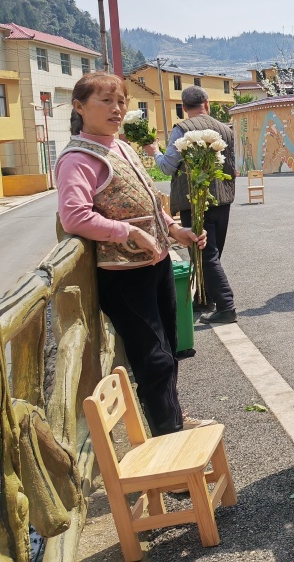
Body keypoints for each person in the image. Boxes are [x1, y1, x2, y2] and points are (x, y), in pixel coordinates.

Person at [56, 73, 210, 435]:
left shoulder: (120, 146)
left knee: (168, 349)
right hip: (123, 275)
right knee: (153, 358)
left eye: (121, 101)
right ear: (79, 107)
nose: (117, 109)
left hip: (153, 265)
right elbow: (75, 216)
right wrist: (127, 231)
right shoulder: (77, 158)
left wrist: (175, 230)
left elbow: (153, 203)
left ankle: (170, 421)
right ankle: (169, 443)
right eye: (105, 101)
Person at [145, 85, 238, 325]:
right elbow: (232, 168)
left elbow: (167, 167)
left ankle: (226, 306)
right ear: (207, 103)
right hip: (223, 199)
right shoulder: (225, 129)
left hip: (195, 201)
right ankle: (204, 300)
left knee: (205, 254)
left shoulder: (181, 130)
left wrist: (154, 152)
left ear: (184, 108)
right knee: (212, 254)